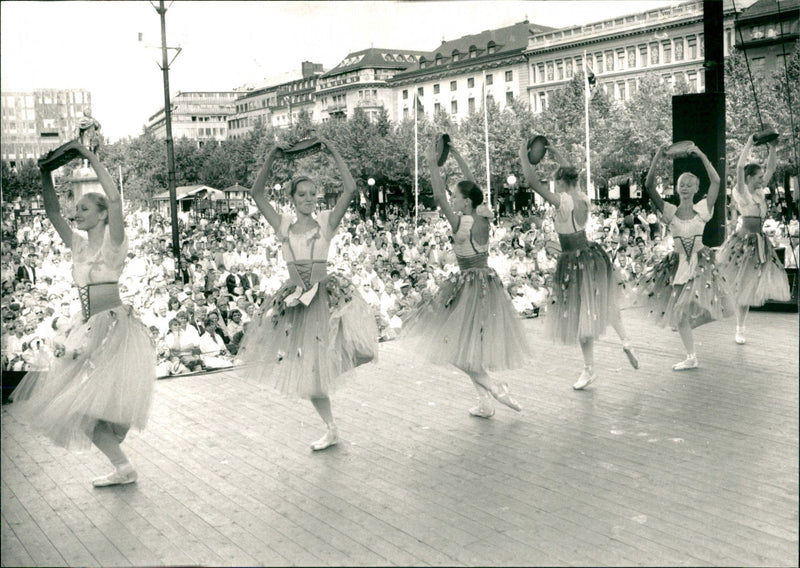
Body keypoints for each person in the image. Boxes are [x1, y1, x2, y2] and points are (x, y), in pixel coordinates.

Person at [11, 143, 156, 487]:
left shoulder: (114, 242)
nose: (78, 213)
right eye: (77, 208)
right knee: (84, 408)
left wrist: (90, 158)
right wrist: (45, 174)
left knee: (89, 408)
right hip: (88, 324)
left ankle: (123, 466)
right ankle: (124, 468)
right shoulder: (77, 244)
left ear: (103, 214)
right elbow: (51, 212)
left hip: (112, 327)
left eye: (85, 208)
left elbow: (117, 200)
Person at [237, 140, 378, 451]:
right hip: (296, 302)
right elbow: (257, 194)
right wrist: (272, 157)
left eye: (313, 194)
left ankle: (329, 374)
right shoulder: (283, 224)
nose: (309, 199)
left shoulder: (326, 222)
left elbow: (350, 189)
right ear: (291, 199)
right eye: (302, 195)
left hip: (324, 296)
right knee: (310, 373)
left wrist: (333, 151)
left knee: (360, 352)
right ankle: (331, 428)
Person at [402, 138, 529, 418]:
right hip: (487, 283)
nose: (452, 200)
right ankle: (485, 403)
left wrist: (431, 162)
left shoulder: (461, 222)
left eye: (456, 197)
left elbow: (437, 195)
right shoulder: (484, 217)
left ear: (466, 202)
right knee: (470, 347)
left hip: (468, 285)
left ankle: (494, 387)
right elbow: (473, 185)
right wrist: (457, 156)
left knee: (454, 349)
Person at [518, 140, 638, 390]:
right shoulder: (582, 195)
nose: (554, 186)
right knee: (603, 301)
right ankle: (625, 339)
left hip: (573, 260)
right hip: (592, 254)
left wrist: (523, 155)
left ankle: (589, 368)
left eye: (556, 182)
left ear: (560, 183)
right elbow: (569, 170)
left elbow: (532, 182)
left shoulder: (563, 201)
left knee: (582, 314)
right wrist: (554, 151)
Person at [639, 142, 734, 369]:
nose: (684, 187)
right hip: (679, 262)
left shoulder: (703, 209)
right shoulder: (670, 211)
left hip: (700, 261)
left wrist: (701, 154)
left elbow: (717, 182)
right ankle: (691, 357)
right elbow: (649, 185)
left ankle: (693, 329)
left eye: (689, 184)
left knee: (716, 308)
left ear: (695, 188)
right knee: (679, 315)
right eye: (681, 184)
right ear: (677, 187)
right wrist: (657, 157)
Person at [717, 134, 790, 344]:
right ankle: (738, 327)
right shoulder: (741, 191)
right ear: (749, 178)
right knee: (741, 286)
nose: (761, 179)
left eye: (761, 177)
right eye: (758, 177)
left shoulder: (759, 192)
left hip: (759, 241)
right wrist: (750, 143)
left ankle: (740, 326)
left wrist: (773, 148)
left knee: (748, 287)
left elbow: (771, 169)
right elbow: (740, 168)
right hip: (743, 242)